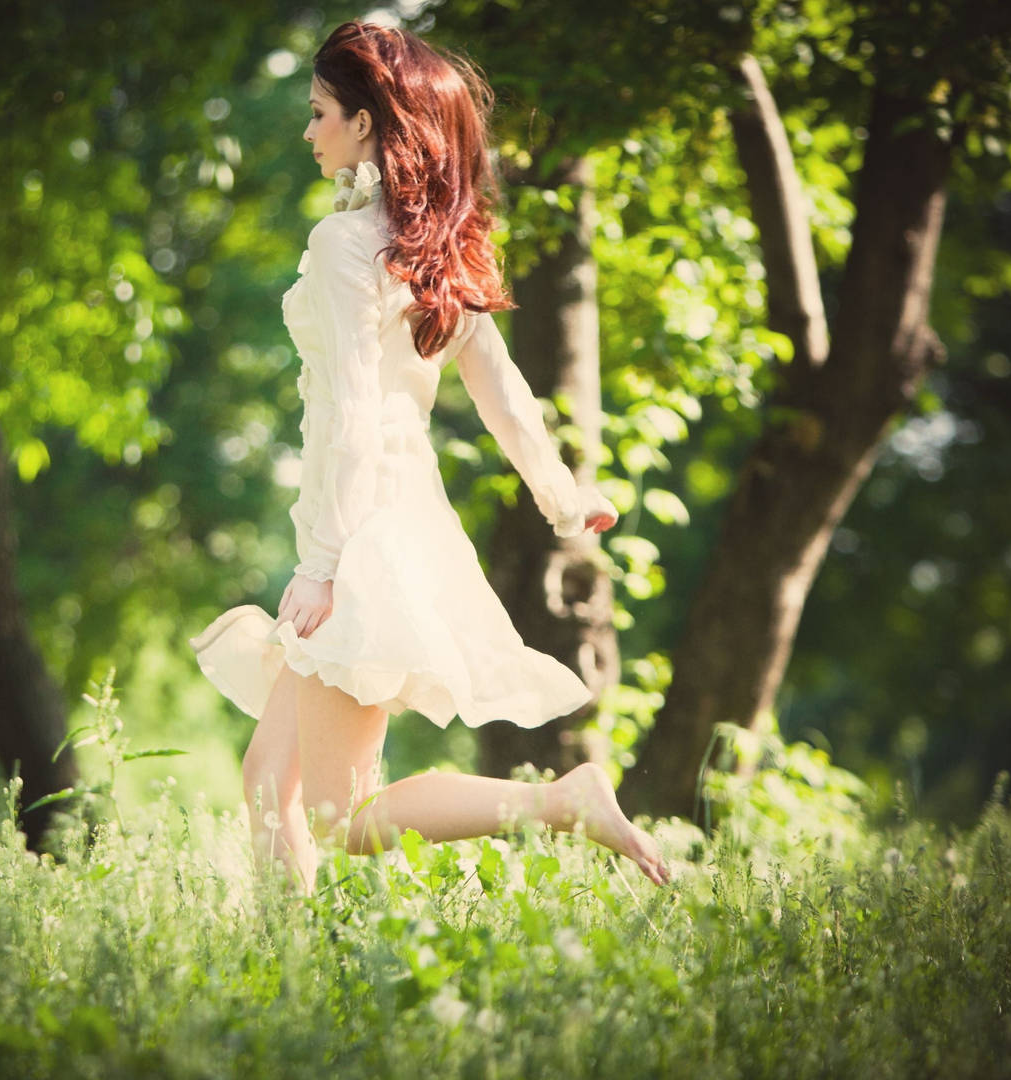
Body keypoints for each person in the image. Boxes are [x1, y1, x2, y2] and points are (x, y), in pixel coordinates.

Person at [189, 20, 670, 893]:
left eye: (320, 112)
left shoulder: (344, 247)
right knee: (268, 781)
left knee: (343, 817)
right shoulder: (431, 252)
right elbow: (505, 395)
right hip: (398, 519)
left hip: (362, 531)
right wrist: (564, 501)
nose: (308, 130)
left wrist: (323, 568)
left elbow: (357, 419)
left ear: (366, 124)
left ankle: (563, 800)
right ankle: (284, 976)